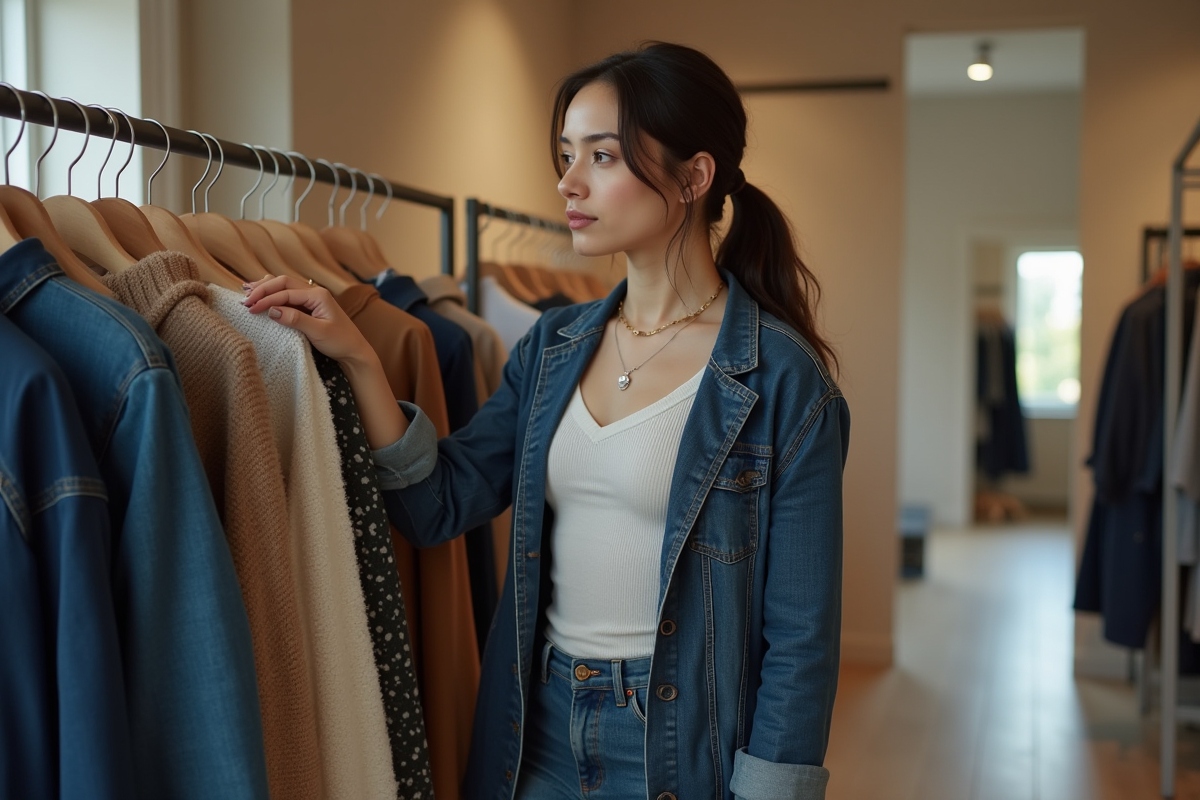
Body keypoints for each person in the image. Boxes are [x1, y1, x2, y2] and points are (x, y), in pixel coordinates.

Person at [243, 41, 849, 800]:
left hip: (679, 743)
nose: (568, 182)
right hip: (537, 721)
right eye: (566, 155)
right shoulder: (553, 347)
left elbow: (801, 639)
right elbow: (438, 505)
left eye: (602, 156)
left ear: (694, 177)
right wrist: (361, 359)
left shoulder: (782, 382)